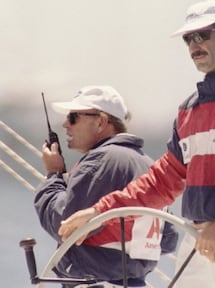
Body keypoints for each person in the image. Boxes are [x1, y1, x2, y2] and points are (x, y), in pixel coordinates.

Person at [58, 1, 215, 287]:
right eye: (189, 38)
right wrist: (100, 212)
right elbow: (162, 181)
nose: (194, 45)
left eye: (203, 35)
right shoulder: (190, 109)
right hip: (199, 235)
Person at [34, 85, 178, 288]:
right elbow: (168, 239)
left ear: (101, 121)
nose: (65, 124)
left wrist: (54, 175)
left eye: (73, 117)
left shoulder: (101, 159)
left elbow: (64, 225)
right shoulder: (149, 165)